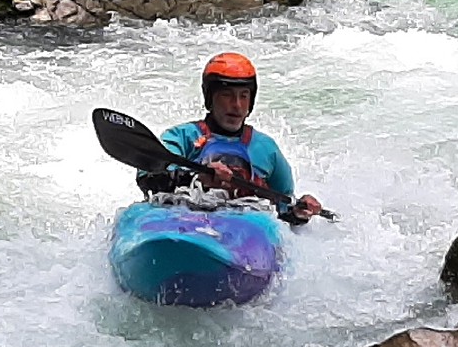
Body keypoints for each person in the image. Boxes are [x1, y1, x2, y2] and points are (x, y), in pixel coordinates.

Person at [136, 52, 326, 224]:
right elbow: (148, 179)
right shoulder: (181, 138)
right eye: (227, 95)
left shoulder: (266, 149)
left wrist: (299, 212)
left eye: (244, 96)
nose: (236, 105)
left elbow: (283, 211)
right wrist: (196, 177)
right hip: (184, 222)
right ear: (210, 98)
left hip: (241, 236)